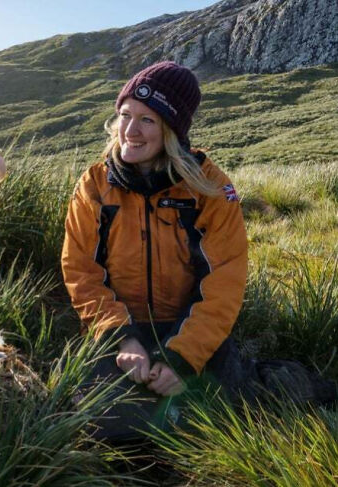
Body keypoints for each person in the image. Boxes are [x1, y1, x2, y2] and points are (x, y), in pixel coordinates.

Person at [61, 61, 335, 442]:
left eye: (147, 121)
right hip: (121, 331)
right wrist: (121, 339)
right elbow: (81, 272)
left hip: (189, 330)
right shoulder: (94, 185)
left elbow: (224, 281)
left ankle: (267, 378)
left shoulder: (210, 188)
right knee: (104, 430)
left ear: (172, 130)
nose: (129, 131)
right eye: (125, 115)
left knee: (215, 424)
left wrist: (182, 357)